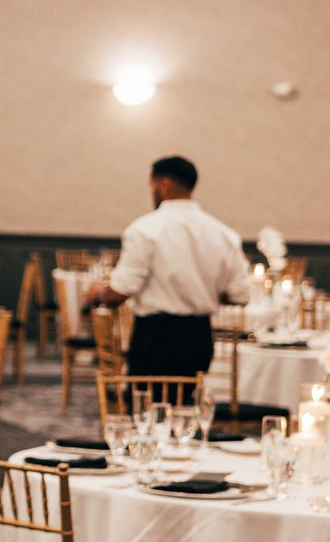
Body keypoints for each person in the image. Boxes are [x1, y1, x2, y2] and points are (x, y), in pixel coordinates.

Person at [82, 154, 252, 377]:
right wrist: (204, 292)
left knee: (147, 407)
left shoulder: (144, 230)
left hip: (155, 337)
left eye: (151, 185)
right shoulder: (222, 234)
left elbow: (122, 291)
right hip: (199, 338)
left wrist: (98, 295)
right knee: (189, 405)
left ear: (164, 185)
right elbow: (240, 295)